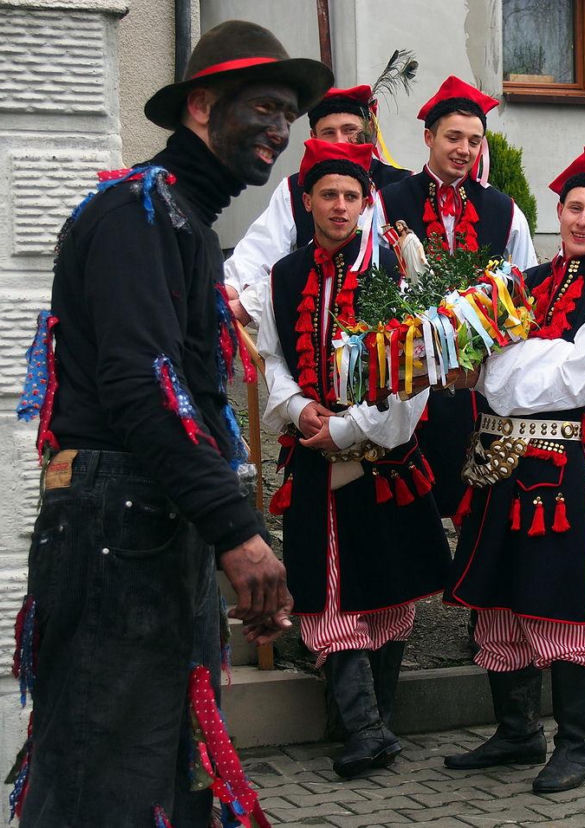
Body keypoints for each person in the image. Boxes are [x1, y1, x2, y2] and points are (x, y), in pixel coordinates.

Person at [11, 20, 332, 826]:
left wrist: (229, 531)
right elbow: (143, 389)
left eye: (288, 113)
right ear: (200, 106)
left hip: (150, 521)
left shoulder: (181, 219)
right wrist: (237, 532)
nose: (280, 129)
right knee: (103, 780)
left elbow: (183, 398)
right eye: (264, 106)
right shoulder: (139, 213)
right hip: (117, 526)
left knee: (164, 770)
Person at [443, 147, 585, 794]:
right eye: (575, 208)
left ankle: (576, 746)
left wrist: (505, 365)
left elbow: (577, 376)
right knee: (498, 596)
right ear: (559, 212)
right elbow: (476, 353)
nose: (583, 221)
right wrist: (512, 359)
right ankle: (517, 731)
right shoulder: (523, 280)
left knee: (554, 602)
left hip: (551, 471)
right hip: (493, 460)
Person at [256, 139, 451, 779]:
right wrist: (297, 408)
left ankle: (373, 725)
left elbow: (418, 367)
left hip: (383, 455)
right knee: (327, 593)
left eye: (350, 195)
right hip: (315, 461)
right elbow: (274, 357)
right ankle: (367, 729)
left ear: (366, 203)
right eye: (328, 195)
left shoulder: (395, 267)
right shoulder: (284, 275)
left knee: (385, 589)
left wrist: (350, 427)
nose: (339, 206)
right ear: (307, 202)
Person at [377, 75, 537, 518]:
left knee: (478, 491)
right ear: (429, 138)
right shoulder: (387, 202)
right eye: (453, 137)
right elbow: (372, 280)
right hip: (411, 371)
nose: (464, 149)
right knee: (408, 494)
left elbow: (524, 292)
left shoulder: (504, 210)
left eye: (474, 140)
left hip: (477, 377)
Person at [224, 84, 411, 325]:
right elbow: (259, 249)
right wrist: (231, 288)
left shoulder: (402, 185)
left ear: (369, 131)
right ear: (314, 137)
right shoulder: (294, 189)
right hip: (312, 320)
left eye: (350, 130)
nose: (340, 142)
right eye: (329, 132)